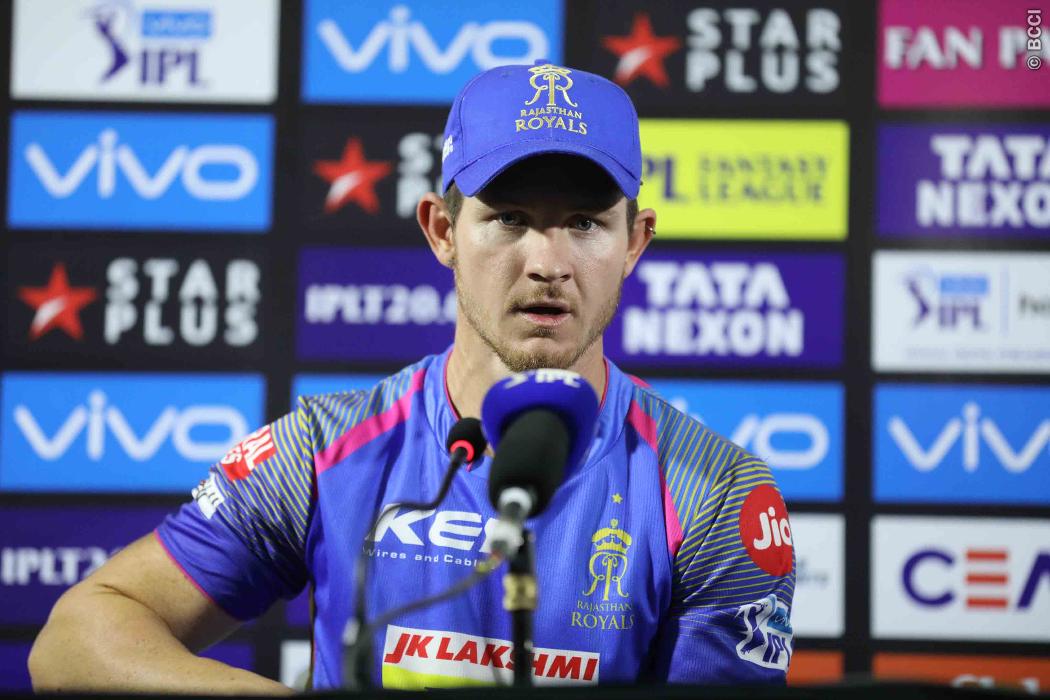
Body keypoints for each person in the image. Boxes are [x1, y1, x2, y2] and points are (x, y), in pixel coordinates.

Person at [29, 61, 795, 692]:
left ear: (635, 243)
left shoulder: (715, 493)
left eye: (586, 223)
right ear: (441, 230)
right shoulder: (325, 449)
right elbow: (73, 640)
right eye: (509, 218)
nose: (548, 263)